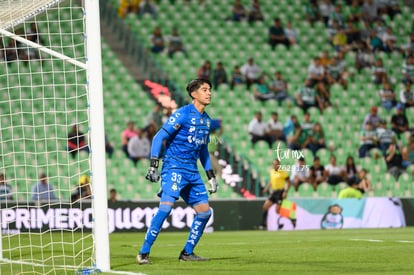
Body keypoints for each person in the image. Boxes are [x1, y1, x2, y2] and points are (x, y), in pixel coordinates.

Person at [136, 78, 218, 264]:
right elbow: (159, 137)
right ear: (194, 94)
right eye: (205, 89)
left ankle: (187, 253)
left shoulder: (207, 121)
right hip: (174, 167)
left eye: (210, 89)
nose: (209, 93)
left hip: (192, 172)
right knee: (165, 208)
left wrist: (211, 176)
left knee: (205, 212)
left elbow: (203, 151)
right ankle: (143, 252)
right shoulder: (182, 114)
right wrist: (154, 164)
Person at [260, 159, 290, 230]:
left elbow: (288, 182)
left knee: (277, 210)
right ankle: (263, 224)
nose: (275, 165)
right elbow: (271, 181)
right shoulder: (272, 172)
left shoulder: (283, 172)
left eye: (276, 164)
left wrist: (285, 191)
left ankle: (288, 220)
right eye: (274, 164)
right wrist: (266, 188)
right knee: (265, 207)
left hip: (280, 192)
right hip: (274, 192)